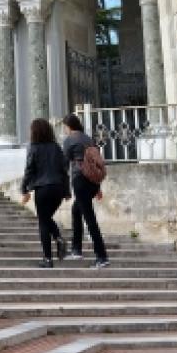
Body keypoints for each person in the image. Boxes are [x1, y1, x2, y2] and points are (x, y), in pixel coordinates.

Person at [20, 117, 70, 267]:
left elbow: (29, 170)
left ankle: (48, 258)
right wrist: (67, 191)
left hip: (42, 189)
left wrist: (24, 189)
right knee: (46, 218)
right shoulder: (56, 147)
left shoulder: (34, 148)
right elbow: (64, 171)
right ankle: (58, 237)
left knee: (43, 221)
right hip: (58, 189)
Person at [61, 113, 110, 267]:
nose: (64, 130)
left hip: (80, 180)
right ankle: (76, 250)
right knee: (77, 210)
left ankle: (102, 256)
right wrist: (98, 188)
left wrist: (64, 189)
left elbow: (64, 163)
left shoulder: (70, 140)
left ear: (68, 126)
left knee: (89, 219)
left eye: (64, 127)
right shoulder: (88, 138)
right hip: (92, 182)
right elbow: (95, 162)